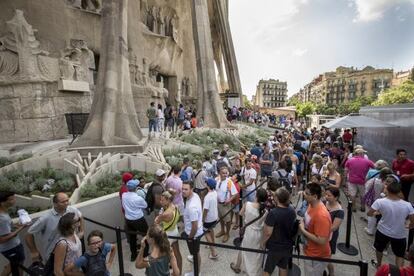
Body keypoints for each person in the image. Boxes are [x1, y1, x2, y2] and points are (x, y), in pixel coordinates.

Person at [368, 176, 414, 268]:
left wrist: (378, 212)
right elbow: (412, 219)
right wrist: (410, 225)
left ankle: (379, 264)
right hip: (399, 234)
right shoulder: (408, 205)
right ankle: (400, 272)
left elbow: (369, 213)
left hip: (382, 231)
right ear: (399, 192)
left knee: (379, 249)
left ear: (387, 190)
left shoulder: (380, 202)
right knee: (399, 255)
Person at [26, 192, 84, 262]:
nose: (66, 203)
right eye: (63, 202)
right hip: (53, 254)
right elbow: (29, 234)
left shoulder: (72, 210)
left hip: (72, 251)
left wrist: (81, 231)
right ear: (55, 204)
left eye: (67, 200)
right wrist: (34, 251)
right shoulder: (46, 218)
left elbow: (80, 216)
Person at [230, 188, 268, 275]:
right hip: (259, 233)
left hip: (249, 231)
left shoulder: (247, 204)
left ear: (256, 196)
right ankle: (242, 267)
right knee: (256, 253)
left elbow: (240, 213)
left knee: (244, 248)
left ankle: (241, 268)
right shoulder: (265, 211)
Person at [299, 182, 332, 276]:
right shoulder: (311, 204)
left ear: (315, 196)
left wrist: (303, 230)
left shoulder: (321, 215)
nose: (304, 194)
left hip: (317, 256)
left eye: (307, 193)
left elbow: (322, 240)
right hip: (309, 250)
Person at [262, 187, 297, 276]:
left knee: (267, 270)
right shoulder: (292, 210)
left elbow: (268, 233)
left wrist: (263, 243)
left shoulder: (273, 213)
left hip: (275, 246)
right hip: (287, 245)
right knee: (283, 267)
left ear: (277, 198)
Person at [0, 191, 28, 276]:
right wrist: (21, 228)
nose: (14, 200)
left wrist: (17, 225)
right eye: (11, 199)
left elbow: (7, 227)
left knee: (13, 265)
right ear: (2, 202)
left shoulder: (3, 213)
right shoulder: (2, 218)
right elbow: (2, 239)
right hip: (11, 248)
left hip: (11, 247)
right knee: (18, 267)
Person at [154, 191, 182, 273]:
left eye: (162, 200)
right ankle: (178, 272)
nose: (160, 202)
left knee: (162, 257)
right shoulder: (175, 206)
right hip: (175, 232)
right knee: (177, 255)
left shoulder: (165, 214)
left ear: (168, 200)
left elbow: (155, 222)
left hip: (167, 235)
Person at [122, 179, 149, 261]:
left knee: (132, 238)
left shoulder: (124, 195)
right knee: (145, 235)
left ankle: (133, 255)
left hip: (128, 220)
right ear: (136, 188)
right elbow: (145, 205)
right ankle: (145, 254)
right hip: (138, 220)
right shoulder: (138, 198)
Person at [181, 181, 203, 272]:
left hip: (193, 234)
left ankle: (196, 272)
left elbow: (194, 226)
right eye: (182, 189)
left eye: (186, 189)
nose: (183, 191)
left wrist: (190, 238)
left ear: (191, 189)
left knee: (196, 253)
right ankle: (193, 257)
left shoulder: (191, 207)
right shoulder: (195, 195)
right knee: (195, 252)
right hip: (194, 231)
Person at [363, 167, 392, 235]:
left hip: (373, 200)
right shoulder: (391, 183)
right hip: (386, 202)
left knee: (371, 216)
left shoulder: (374, 180)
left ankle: (370, 230)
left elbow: (367, 187)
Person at [215, 167, 239, 243]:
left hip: (226, 205)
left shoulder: (229, 182)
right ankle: (222, 230)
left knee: (228, 220)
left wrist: (229, 200)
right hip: (218, 204)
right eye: (223, 173)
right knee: (221, 218)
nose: (225, 175)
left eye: (226, 173)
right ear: (220, 173)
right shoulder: (217, 180)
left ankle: (227, 233)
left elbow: (235, 194)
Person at [325, 186, 344, 276]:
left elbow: (334, 227)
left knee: (327, 258)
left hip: (330, 236)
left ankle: (331, 273)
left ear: (336, 197)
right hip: (320, 234)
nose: (326, 197)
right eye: (326, 194)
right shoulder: (324, 203)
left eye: (329, 195)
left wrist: (319, 228)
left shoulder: (339, 211)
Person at [203, 178, 219, 259]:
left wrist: (202, 219)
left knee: (206, 233)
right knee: (211, 229)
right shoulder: (215, 193)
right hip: (215, 217)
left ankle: (213, 253)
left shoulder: (207, 197)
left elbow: (205, 210)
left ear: (208, 186)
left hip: (208, 219)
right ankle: (213, 243)